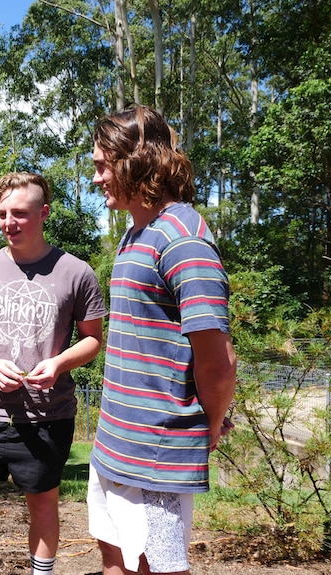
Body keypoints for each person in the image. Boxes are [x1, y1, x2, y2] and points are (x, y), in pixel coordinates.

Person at [88, 105, 237, 575]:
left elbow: (217, 360)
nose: (96, 179)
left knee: (157, 566)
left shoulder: (182, 238)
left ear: (132, 160)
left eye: (100, 165)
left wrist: (210, 426)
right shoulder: (136, 234)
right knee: (115, 558)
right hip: (114, 441)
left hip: (156, 449)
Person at [0, 172, 108, 575]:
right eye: (1, 214)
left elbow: (93, 340)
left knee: (43, 504)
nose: (8, 222)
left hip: (50, 415)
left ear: (44, 212)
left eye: (19, 213)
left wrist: (59, 363)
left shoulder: (76, 272)